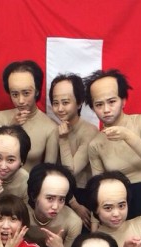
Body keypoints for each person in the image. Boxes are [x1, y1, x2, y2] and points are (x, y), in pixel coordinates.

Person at [85, 69, 141, 247]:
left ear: (123, 100)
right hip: (118, 206)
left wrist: (128, 136)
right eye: (99, 104)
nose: (106, 109)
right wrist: (95, 230)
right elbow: (97, 190)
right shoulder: (96, 144)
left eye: (111, 101)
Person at [49, 73, 98, 230]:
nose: (60, 108)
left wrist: (63, 140)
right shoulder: (54, 130)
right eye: (55, 103)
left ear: (79, 102)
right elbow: (48, 171)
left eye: (65, 102)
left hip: (83, 194)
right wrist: (73, 203)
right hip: (60, 194)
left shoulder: (90, 131)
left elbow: (71, 171)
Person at [0, 60, 58, 172]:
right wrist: (11, 127)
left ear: (37, 91)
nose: (21, 100)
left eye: (26, 93)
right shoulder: (0, 117)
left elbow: (48, 171)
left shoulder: (50, 127)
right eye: (15, 94)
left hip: (31, 182)